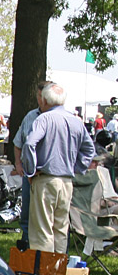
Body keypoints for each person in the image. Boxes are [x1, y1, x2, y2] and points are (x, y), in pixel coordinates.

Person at [20, 82, 95, 254]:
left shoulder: (43, 119)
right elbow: (89, 149)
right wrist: (76, 167)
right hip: (66, 181)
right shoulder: (76, 121)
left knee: (42, 231)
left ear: (44, 100)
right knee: (61, 230)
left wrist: (31, 171)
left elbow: (29, 144)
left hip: (45, 180)